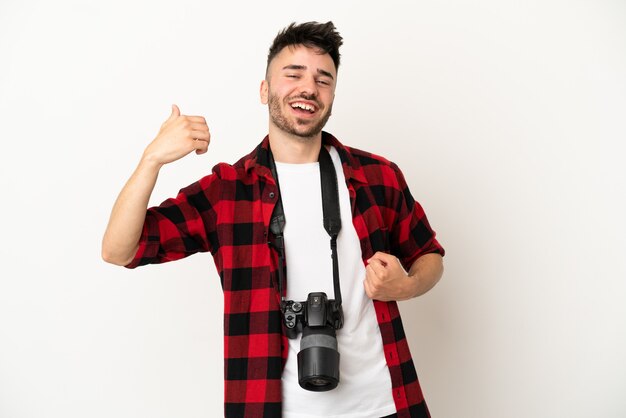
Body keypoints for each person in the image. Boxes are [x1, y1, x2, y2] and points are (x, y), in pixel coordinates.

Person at [102, 21, 444, 418]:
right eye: (293, 74)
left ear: (332, 95)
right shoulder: (228, 190)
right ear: (264, 90)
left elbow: (430, 256)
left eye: (323, 79)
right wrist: (152, 159)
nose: (308, 88)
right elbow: (118, 250)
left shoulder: (376, 176)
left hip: (386, 405)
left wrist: (407, 284)